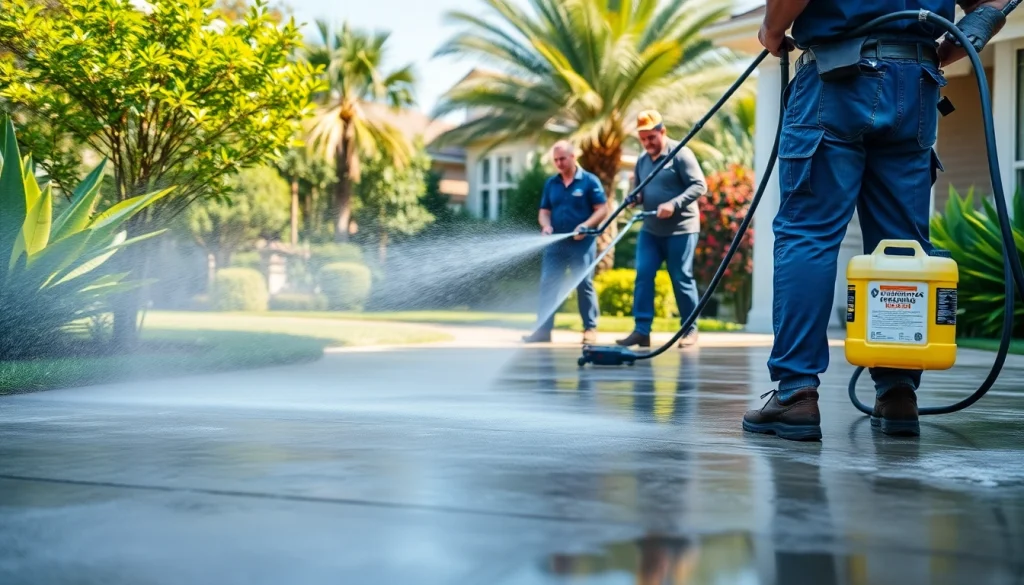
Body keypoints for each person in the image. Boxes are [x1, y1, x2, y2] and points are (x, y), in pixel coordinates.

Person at [743, 0, 1009, 441]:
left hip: (836, 80)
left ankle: (796, 395)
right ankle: (898, 392)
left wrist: (772, 30)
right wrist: (958, 42)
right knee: (902, 244)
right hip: (916, 85)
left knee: (808, 234)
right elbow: (995, 2)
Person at [615, 110, 707, 350]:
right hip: (651, 230)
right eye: (643, 138)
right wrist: (634, 198)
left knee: (680, 277)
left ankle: (690, 330)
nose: (647, 143)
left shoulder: (681, 154)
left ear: (662, 132)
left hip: (682, 229)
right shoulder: (642, 160)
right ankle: (642, 331)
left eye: (651, 137)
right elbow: (640, 189)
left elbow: (700, 185)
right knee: (643, 274)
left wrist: (674, 204)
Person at [522, 141, 608, 344]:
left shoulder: (589, 181)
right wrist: (545, 226)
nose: (559, 163)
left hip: (582, 243)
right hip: (556, 244)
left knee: (584, 284)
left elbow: (602, 209)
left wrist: (584, 226)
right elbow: (544, 211)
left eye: (562, 158)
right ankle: (543, 331)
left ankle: (590, 329)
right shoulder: (552, 183)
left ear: (573, 157)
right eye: (556, 160)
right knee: (548, 284)